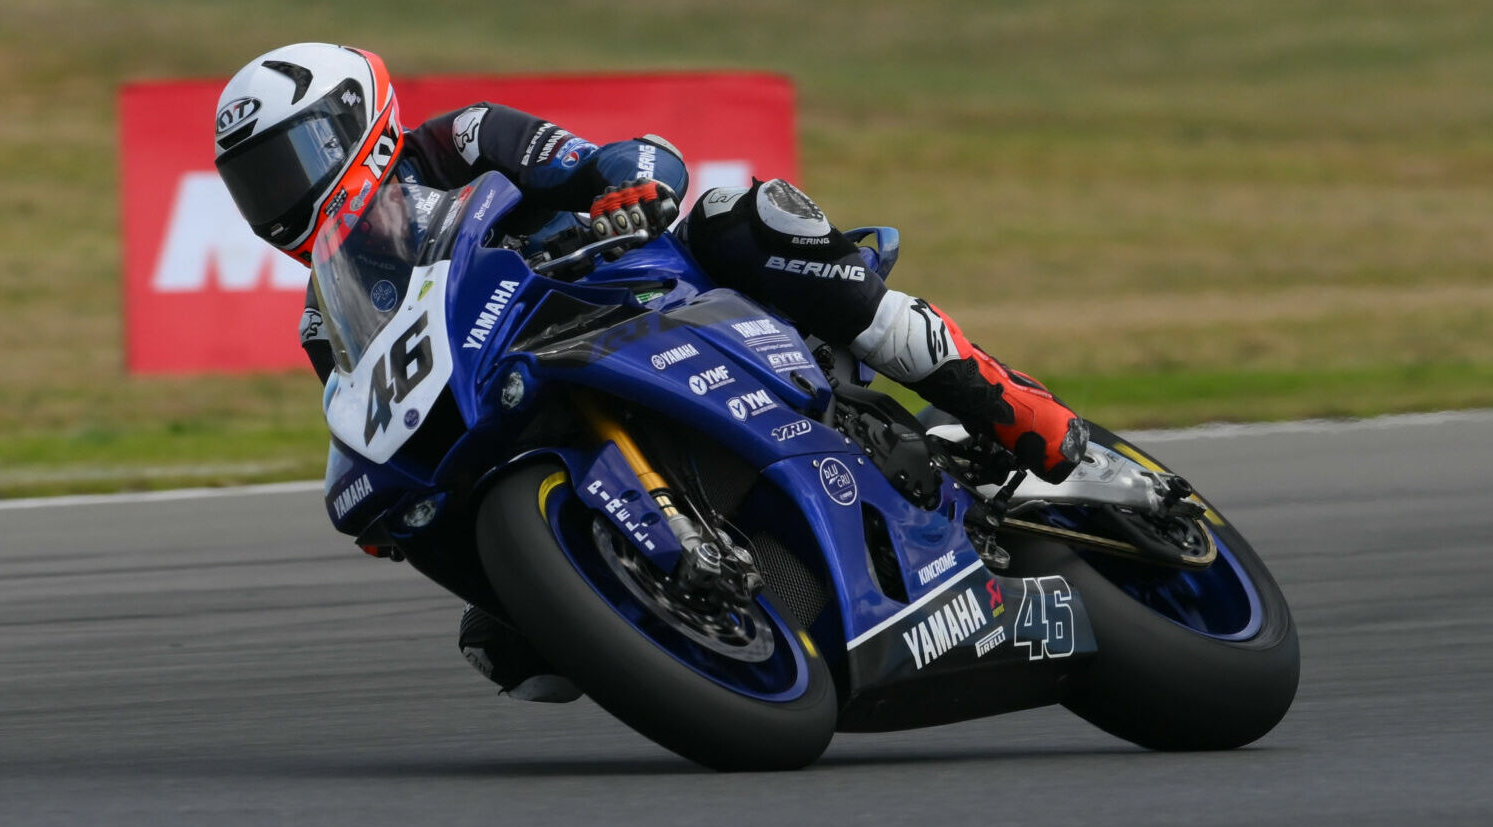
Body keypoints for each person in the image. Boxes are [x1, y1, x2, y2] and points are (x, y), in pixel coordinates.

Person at [214, 43, 1089, 701]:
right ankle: (648, 597)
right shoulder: (322, 316)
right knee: (507, 649)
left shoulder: (460, 141)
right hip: (537, 387)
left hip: (638, 289)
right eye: (257, 183)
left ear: (356, 122)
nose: (282, 196)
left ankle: (1004, 398)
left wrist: (629, 188)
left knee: (746, 218)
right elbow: (375, 398)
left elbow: (610, 158)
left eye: (291, 159)